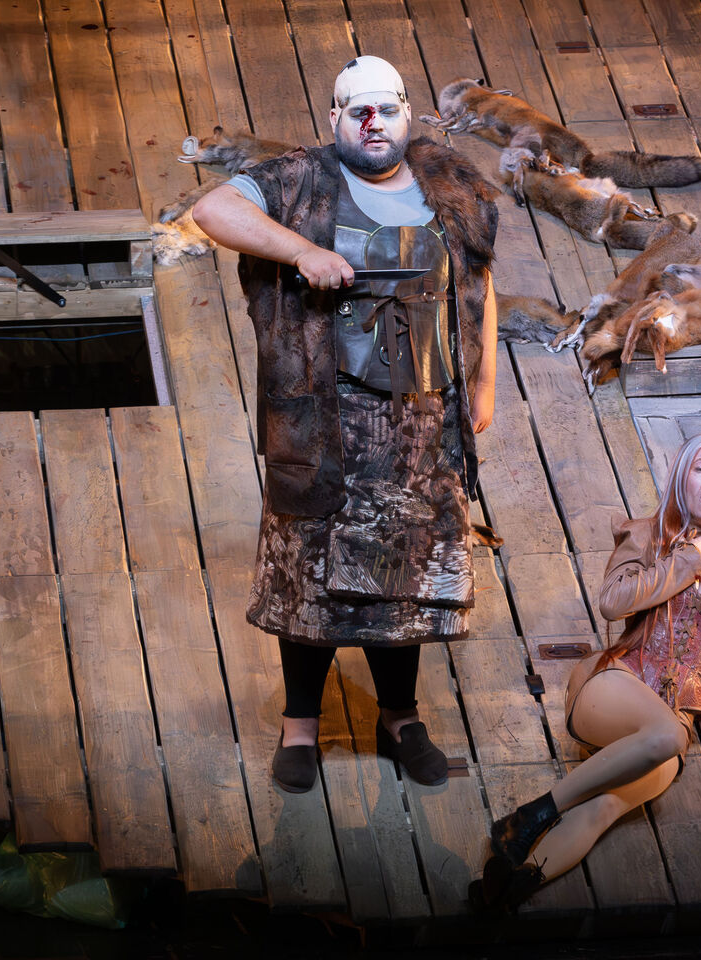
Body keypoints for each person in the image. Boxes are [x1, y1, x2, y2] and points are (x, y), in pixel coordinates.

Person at [192, 57, 500, 794]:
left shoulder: (451, 187)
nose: (372, 123)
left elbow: (481, 284)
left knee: (404, 570)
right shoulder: (301, 179)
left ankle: (400, 718)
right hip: (326, 417)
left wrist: (484, 383)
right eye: (356, 111)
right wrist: (303, 250)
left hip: (422, 419)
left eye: (385, 110)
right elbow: (213, 212)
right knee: (310, 573)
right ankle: (301, 727)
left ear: (406, 114)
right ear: (335, 119)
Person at [470, 433, 701, 910]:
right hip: (614, 686)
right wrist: (688, 561)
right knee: (669, 737)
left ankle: (508, 892)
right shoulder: (649, 534)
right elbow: (612, 602)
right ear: (682, 479)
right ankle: (532, 815)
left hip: (671, 720)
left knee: (607, 806)